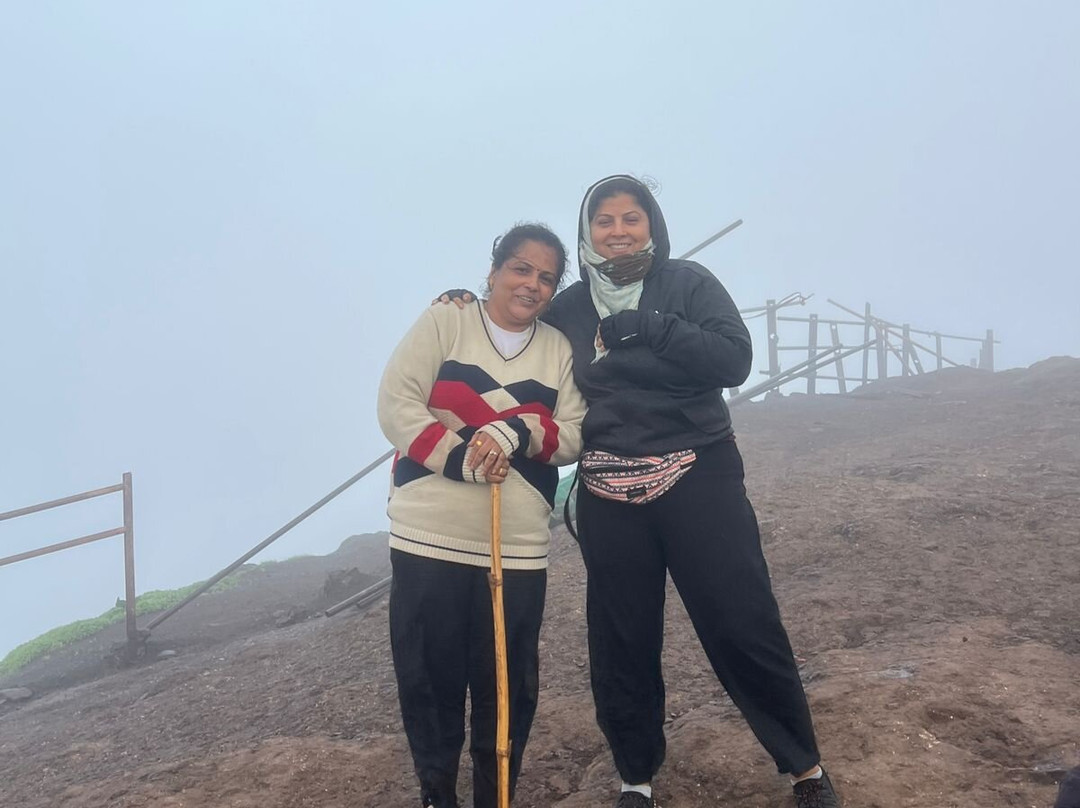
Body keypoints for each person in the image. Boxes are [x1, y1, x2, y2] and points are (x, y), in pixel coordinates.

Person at [439, 175, 840, 808]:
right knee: (620, 636)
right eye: (605, 221)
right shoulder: (567, 307)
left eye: (632, 218)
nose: (619, 230)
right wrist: (465, 300)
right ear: (588, 231)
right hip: (606, 487)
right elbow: (514, 317)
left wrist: (651, 327)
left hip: (698, 471)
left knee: (741, 621)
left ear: (651, 224)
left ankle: (805, 768)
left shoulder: (687, 284)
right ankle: (636, 778)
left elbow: (734, 359)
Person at [378, 222, 587, 808]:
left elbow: (572, 433)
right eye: (521, 269)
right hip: (427, 537)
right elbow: (396, 401)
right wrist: (459, 459)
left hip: (517, 546)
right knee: (429, 682)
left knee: (508, 689)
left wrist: (516, 429)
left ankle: (497, 799)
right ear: (493, 271)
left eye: (546, 277)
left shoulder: (558, 350)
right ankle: (436, 797)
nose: (532, 285)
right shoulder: (446, 320)